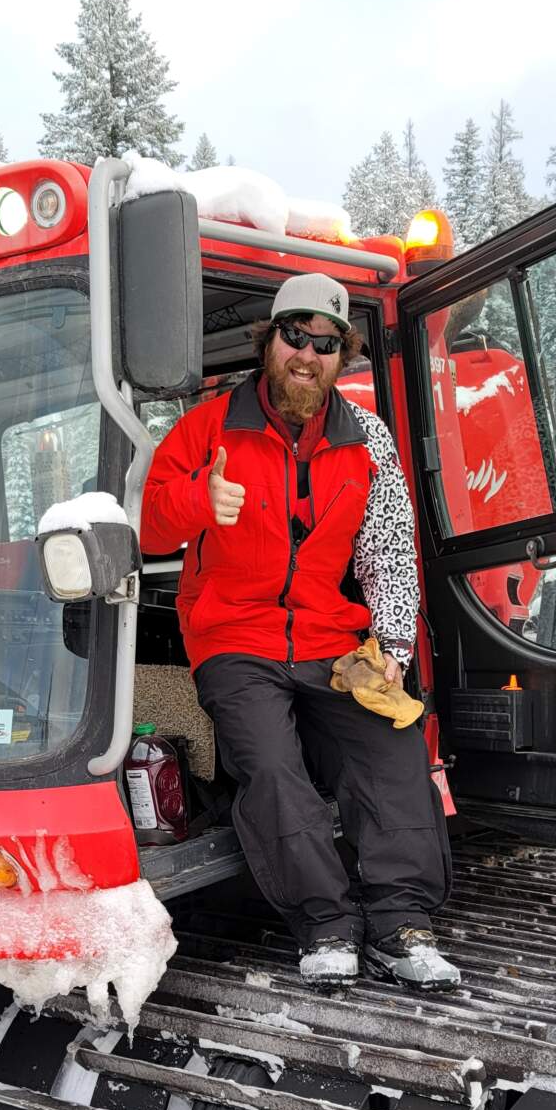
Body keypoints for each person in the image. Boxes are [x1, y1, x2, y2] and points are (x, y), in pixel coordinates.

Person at [139, 273, 458, 989]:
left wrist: (394, 648)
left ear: (341, 356)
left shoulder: (367, 439)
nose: (308, 354)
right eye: (295, 336)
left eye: (326, 343)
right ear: (269, 342)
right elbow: (150, 521)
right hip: (232, 637)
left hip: (329, 639)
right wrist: (200, 499)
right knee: (273, 766)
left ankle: (401, 923)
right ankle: (327, 924)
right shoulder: (209, 428)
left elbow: (387, 551)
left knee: (392, 744)